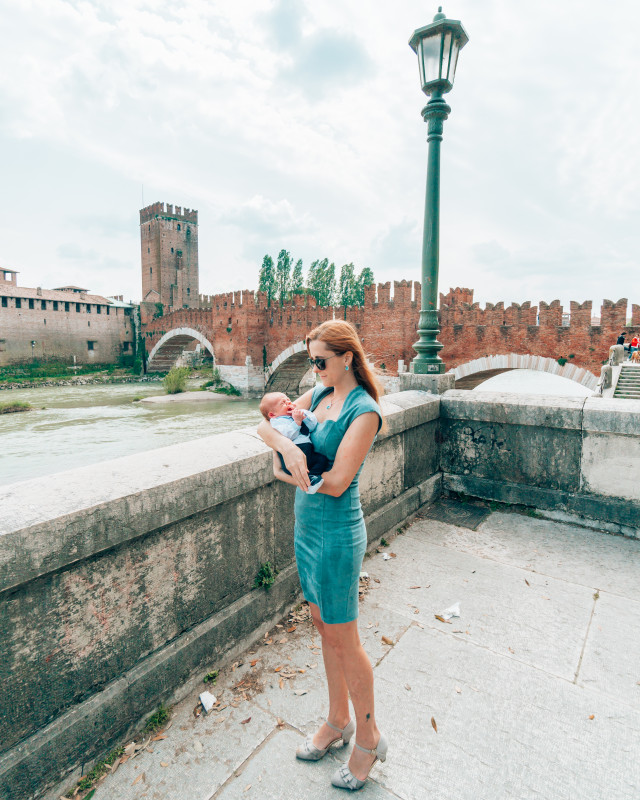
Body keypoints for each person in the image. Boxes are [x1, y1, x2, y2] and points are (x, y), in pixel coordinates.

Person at [257, 320, 387, 791]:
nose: (314, 369)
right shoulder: (316, 396)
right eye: (312, 360)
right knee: (321, 626)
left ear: (346, 357)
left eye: (320, 361)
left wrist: (287, 469)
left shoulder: (363, 410)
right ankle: (338, 719)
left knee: (344, 637)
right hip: (306, 527)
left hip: (336, 533)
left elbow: (332, 484)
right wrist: (284, 444)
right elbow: (264, 424)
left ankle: (369, 738)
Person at [259, 391, 329, 493]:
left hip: (308, 449)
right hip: (296, 449)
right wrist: (297, 423)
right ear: (272, 414)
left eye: (288, 400)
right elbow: (287, 435)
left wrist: (304, 417)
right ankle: (309, 482)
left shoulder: (298, 413)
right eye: (283, 403)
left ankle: (313, 477)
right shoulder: (277, 421)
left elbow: (312, 426)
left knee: (321, 460)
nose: (288, 403)